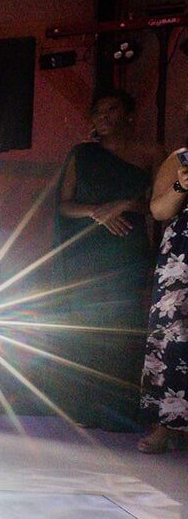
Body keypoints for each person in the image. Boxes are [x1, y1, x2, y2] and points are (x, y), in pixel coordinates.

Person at [52, 90, 162, 431]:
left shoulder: (152, 152)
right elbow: (63, 204)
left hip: (126, 249)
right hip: (86, 250)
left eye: (111, 109)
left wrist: (125, 205)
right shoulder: (82, 153)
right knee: (85, 327)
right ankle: (83, 409)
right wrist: (97, 212)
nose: (103, 116)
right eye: (98, 111)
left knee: (122, 328)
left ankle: (120, 411)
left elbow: (161, 205)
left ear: (128, 114)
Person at [137, 131, 188, 452]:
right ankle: (165, 425)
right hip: (183, 255)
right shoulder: (182, 157)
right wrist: (181, 185)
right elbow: (158, 210)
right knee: (173, 334)